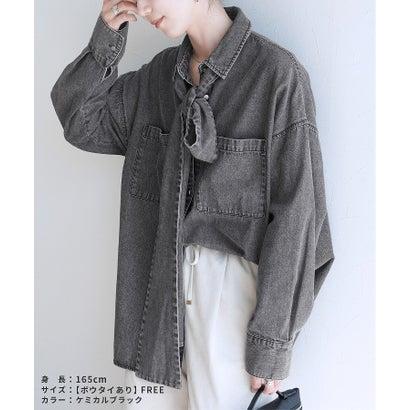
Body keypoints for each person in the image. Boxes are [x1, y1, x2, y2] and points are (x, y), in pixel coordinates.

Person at [50, 0, 334, 409]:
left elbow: (299, 218)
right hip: (153, 302)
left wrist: (271, 342)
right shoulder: (156, 80)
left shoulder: (276, 77)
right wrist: (105, 39)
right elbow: (81, 120)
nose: (143, 7)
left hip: (233, 312)